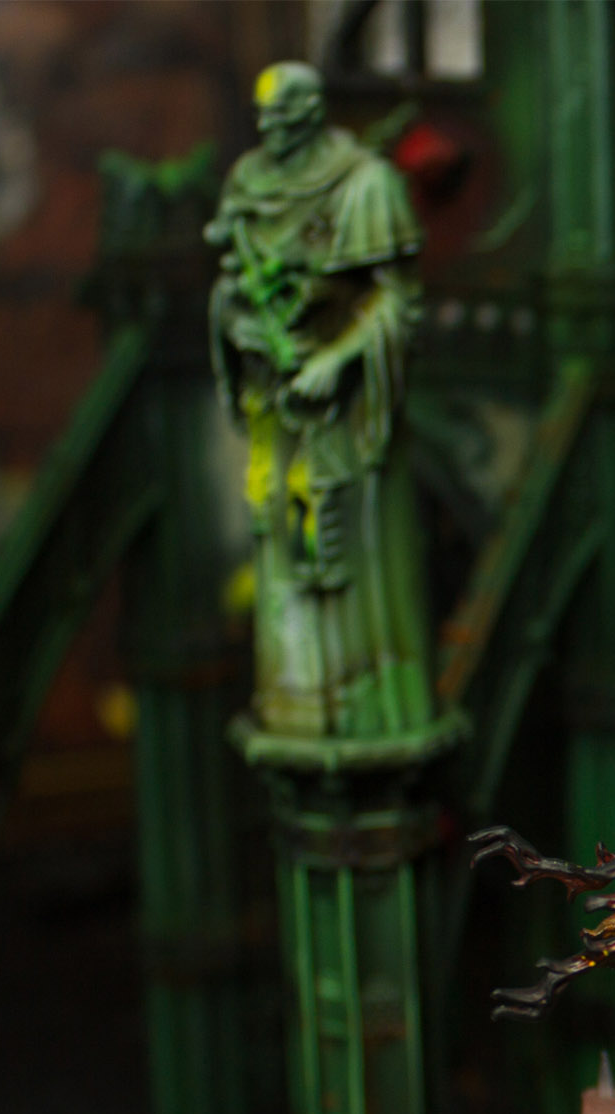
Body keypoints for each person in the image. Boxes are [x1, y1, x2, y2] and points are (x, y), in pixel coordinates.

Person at [207, 62, 430, 738]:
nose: (270, 128)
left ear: (313, 111)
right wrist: (236, 323)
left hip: (343, 411)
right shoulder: (247, 182)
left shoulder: (366, 184)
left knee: (335, 530)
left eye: (283, 115)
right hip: (271, 397)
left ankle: (364, 704)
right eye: (263, 115)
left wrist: (337, 361)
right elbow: (229, 282)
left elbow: (397, 302)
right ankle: (298, 701)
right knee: (273, 518)